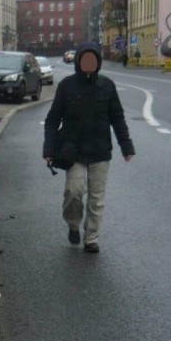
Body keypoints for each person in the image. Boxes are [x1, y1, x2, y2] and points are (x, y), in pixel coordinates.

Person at [42, 42, 135, 253]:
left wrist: (126, 146)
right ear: (78, 61)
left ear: (98, 62)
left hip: (100, 151)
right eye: (85, 59)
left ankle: (91, 237)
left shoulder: (107, 86)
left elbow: (117, 118)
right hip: (73, 151)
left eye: (93, 59)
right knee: (73, 192)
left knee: (96, 199)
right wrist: (49, 150)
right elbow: (52, 119)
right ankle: (73, 224)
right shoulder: (66, 86)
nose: (89, 63)